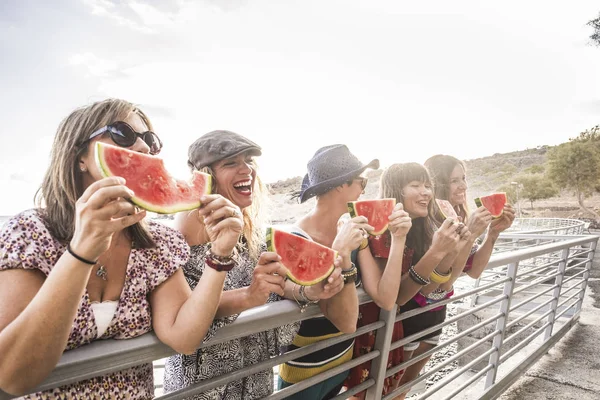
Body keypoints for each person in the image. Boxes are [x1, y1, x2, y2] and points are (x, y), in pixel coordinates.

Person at [0, 99, 236, 399]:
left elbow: (184, 337)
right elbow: (11, 376)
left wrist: (221, 254)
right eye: (122, 134)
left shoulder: (155, 244)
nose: (144, 148)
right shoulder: (31, 235)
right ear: (79, 156)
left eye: (150, 140)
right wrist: (81, 253)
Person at [163, 132, 345, 400]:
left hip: (253, 370)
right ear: (205, 174)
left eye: (248, 161)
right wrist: (247, 297)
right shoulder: (193, 218)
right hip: (207, 380)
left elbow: (275, 281)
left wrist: (310, 291)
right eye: (230, 163)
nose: (246, 169)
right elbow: (186, 307)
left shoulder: (247, 220)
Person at [276, 144, 376, 400]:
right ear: (341, 184)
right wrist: (342, 255)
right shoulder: (295, 238)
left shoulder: (353, 233)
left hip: (342, 359)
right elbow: (347, 322)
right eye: (361, 181)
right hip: (303, 369)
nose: (364, 188)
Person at [370, 163, 471, 400]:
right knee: (381, 393)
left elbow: (440, 281)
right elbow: (400, 297)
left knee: (400, 390)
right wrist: (438, 251)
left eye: (428, 186)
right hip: (395, 328)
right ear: (396, 190)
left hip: (425, 322)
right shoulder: (384, 231)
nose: (426, 192)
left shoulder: (424, 227)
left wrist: (455, 247)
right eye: (416, 185)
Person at [424, 154, 516, 283]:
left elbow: (474, 271)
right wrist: (471, 234)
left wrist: (493, 233)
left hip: (443, 302)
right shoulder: (426, 223)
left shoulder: (458, 219)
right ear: (437, 185)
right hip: (424, 302)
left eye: (463, 178)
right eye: (454, 181)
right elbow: (443, 284)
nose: (464, 186)